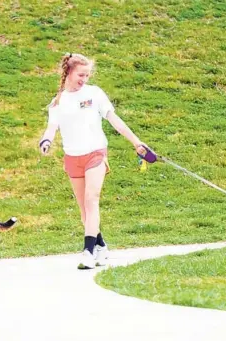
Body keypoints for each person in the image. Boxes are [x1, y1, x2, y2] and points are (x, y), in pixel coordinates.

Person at [39, 53, 148, 269]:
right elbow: (52, 127)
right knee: (83, 210)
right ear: (68, 72)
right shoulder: (58, 101)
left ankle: (88, 252)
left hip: (95, 153)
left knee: (91, 199)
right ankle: (101, 246)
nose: (84, 79)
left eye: (87, 75)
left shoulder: (94, 93)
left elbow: (114, 119)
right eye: (81, 74)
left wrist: (136, 142)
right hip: (72, 157)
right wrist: (46, 140)